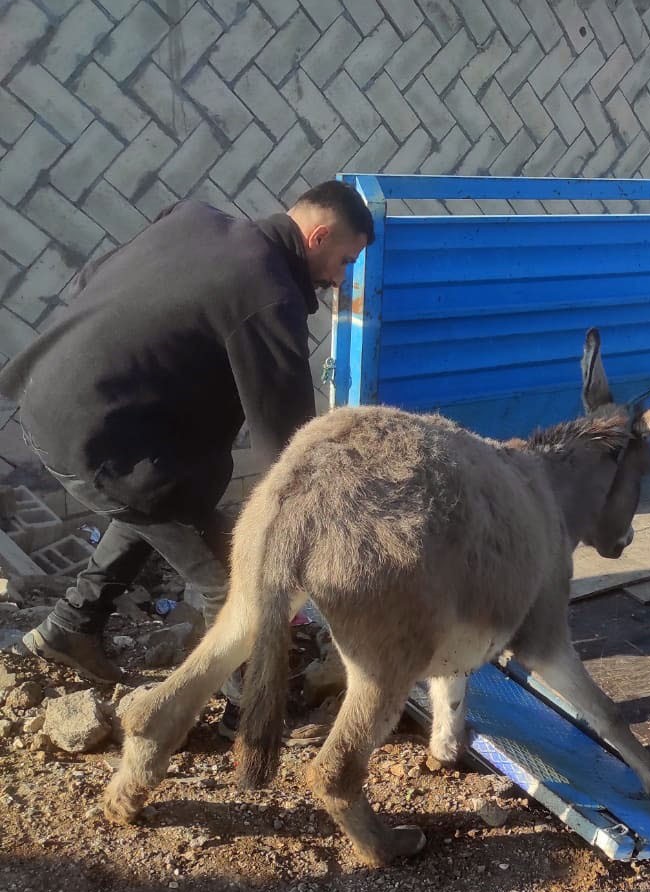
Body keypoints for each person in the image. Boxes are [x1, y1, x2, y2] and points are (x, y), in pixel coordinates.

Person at [0, 181, 375, 684]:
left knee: (154, 506)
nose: (342, 277)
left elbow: (90, 277)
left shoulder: (192, 216)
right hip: (98, 440)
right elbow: (290, 447)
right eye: (346, 260)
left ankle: (70, 628)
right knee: (237, 582)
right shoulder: (266, 293)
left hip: (50, 402)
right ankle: (244, 721)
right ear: (318, 237)